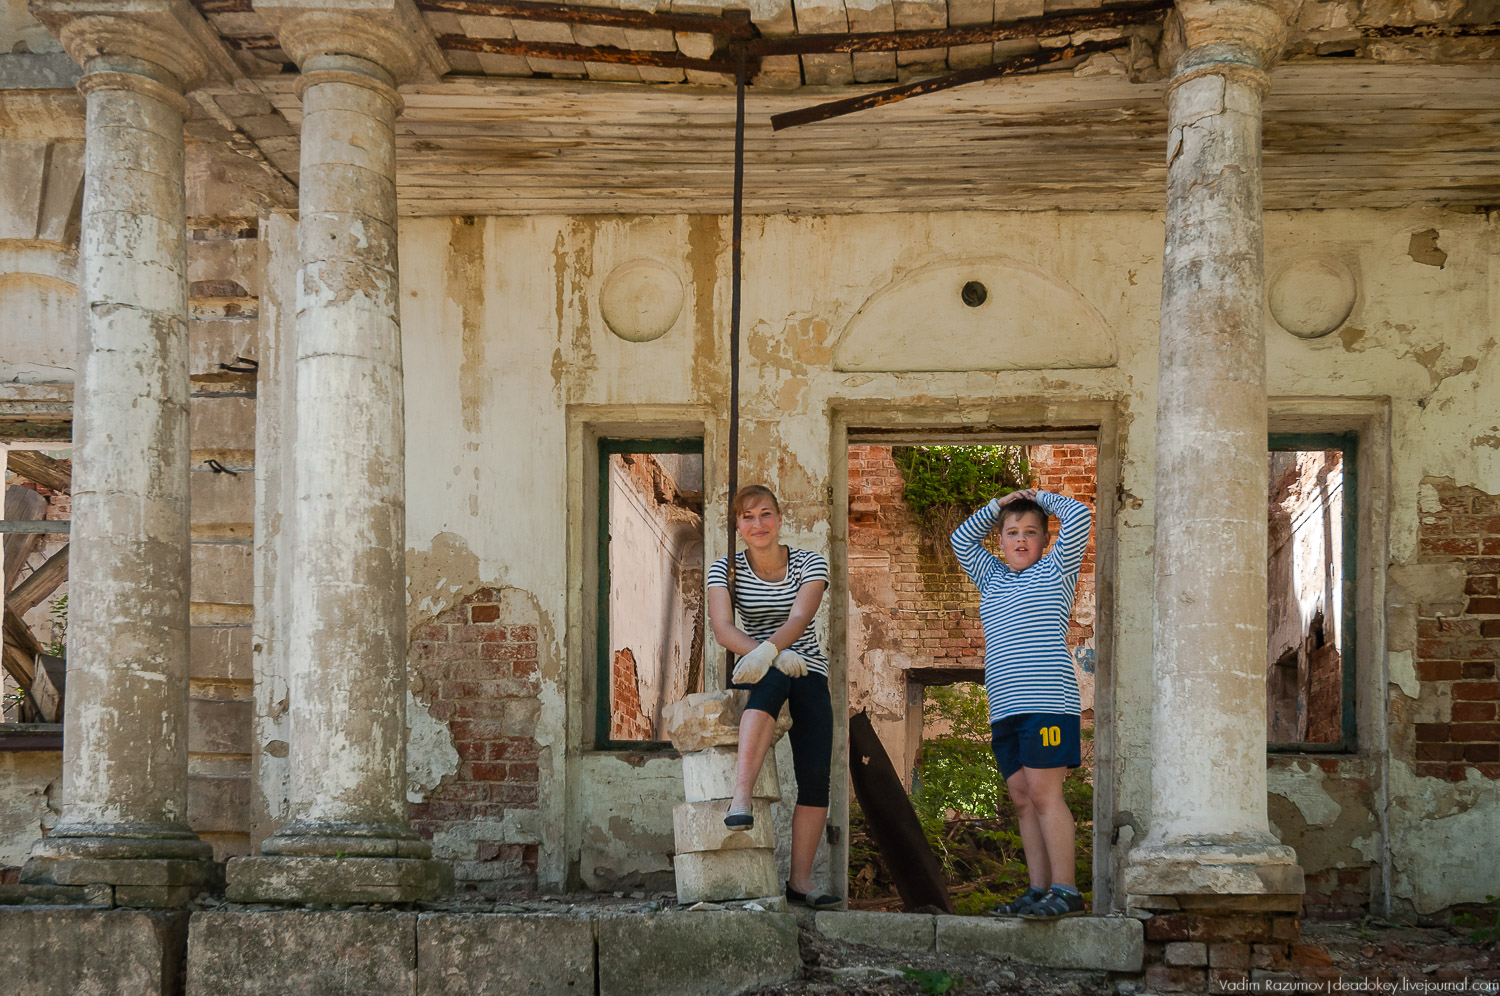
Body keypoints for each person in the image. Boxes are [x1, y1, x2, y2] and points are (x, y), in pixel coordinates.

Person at [950, 486, 1093, 920]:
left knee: (1044, 793)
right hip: (1005, 708)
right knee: (1021, 797)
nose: (1021, 539)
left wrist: (1039, 496)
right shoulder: (990, 576)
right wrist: (998, 505)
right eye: (1012, 532)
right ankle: (1038, 890)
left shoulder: (1056, 570)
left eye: (1031, 532)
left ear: (1045, 540)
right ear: (999, 540)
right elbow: (959, 539)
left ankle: (1066, 891)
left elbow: (1081, 518)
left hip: (1048, 702)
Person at [707, 484, 839, 910]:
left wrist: (773, 649)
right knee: (771, 682)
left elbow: (801, 615)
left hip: (809, 669)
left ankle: (800, 883)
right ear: (738, 526)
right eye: (747, 517)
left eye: (766, 514)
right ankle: (740, 797)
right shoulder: (724, 569)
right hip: (756, 666)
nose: (758, 523)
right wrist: (765, 656)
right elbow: (723, 629)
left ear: (779, 520)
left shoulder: (810, 564)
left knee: (816, 773)